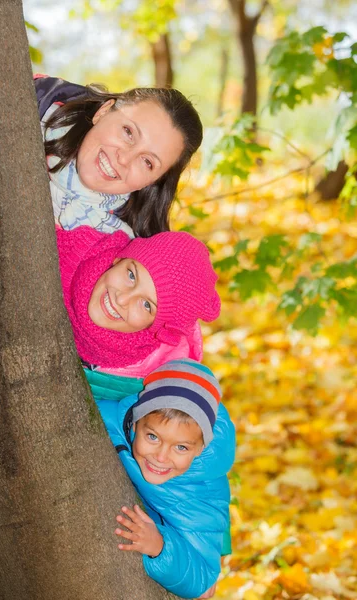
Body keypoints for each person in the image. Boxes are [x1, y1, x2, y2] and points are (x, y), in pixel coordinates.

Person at [96, 359, 236, 599]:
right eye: (152, 437)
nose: (161, 457)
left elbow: (204, 586)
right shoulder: (117, 418)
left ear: (200, 448)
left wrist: (160, 547)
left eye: (181, 448)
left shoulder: (199, 494)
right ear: (135, 423)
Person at [34, 75, 203, 237]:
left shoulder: (123, 254)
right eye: (128, 132)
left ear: (152, 182)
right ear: (103, 111)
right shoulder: (34, 102)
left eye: (147, 162)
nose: (124, 159)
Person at [56, 225, 220, 390]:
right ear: (120, 259)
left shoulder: (151, 371)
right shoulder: (70, 250)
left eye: (147, 305)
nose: (122, 299)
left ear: (154, 326)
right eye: (131, 275)